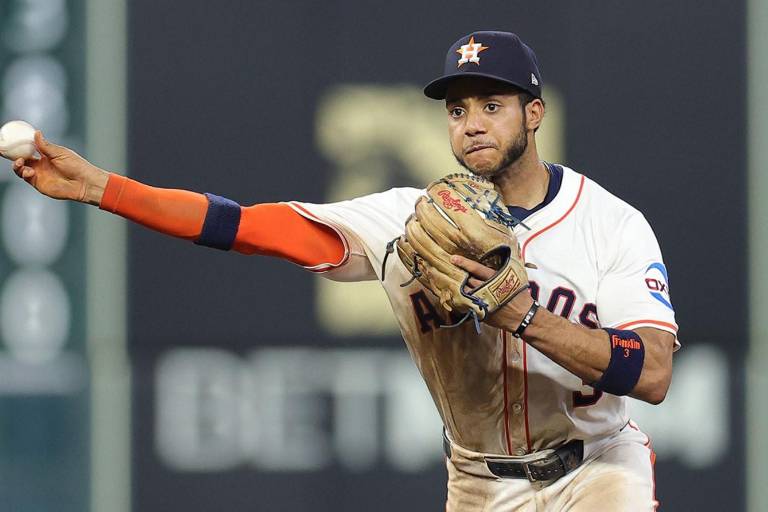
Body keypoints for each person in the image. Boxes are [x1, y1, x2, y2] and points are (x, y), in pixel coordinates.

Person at [10, 31, 677, 511]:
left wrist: (523, 315)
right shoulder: (405, 221)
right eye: (457, 109)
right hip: (480, 483)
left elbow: (651, 374)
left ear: (534, 113)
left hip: (597, 472)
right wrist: (104, 188)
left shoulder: (610, 224)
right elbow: (241, 226)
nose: (472, 124)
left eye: (491, 105)